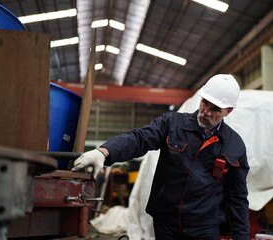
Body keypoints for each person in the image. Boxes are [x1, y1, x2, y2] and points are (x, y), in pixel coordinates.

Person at [72, 74, 250, 240]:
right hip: (166, 224)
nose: (206, 112)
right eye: (205, 103)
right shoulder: (172, 124)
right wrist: (104, 151)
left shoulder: (234, 146)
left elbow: (237, 197)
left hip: (204, 227)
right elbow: (139, 139)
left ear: (229, 111)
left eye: (215, 109)